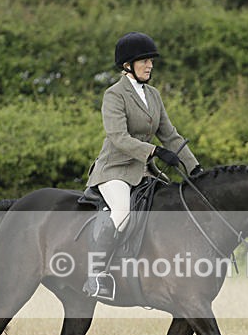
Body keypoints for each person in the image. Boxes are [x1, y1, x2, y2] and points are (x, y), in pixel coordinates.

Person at [83, 31, 202, 298]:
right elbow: (118, 137)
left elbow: (170, 135)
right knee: (122, 211)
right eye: (144, 61)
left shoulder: (154, 95)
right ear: (128, 65)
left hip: (146, 172)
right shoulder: (114, 95)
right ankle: (97, 275)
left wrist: (194, 167)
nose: (149, 65)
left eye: (151, 60)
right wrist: (155, 151)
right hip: (115, 170)